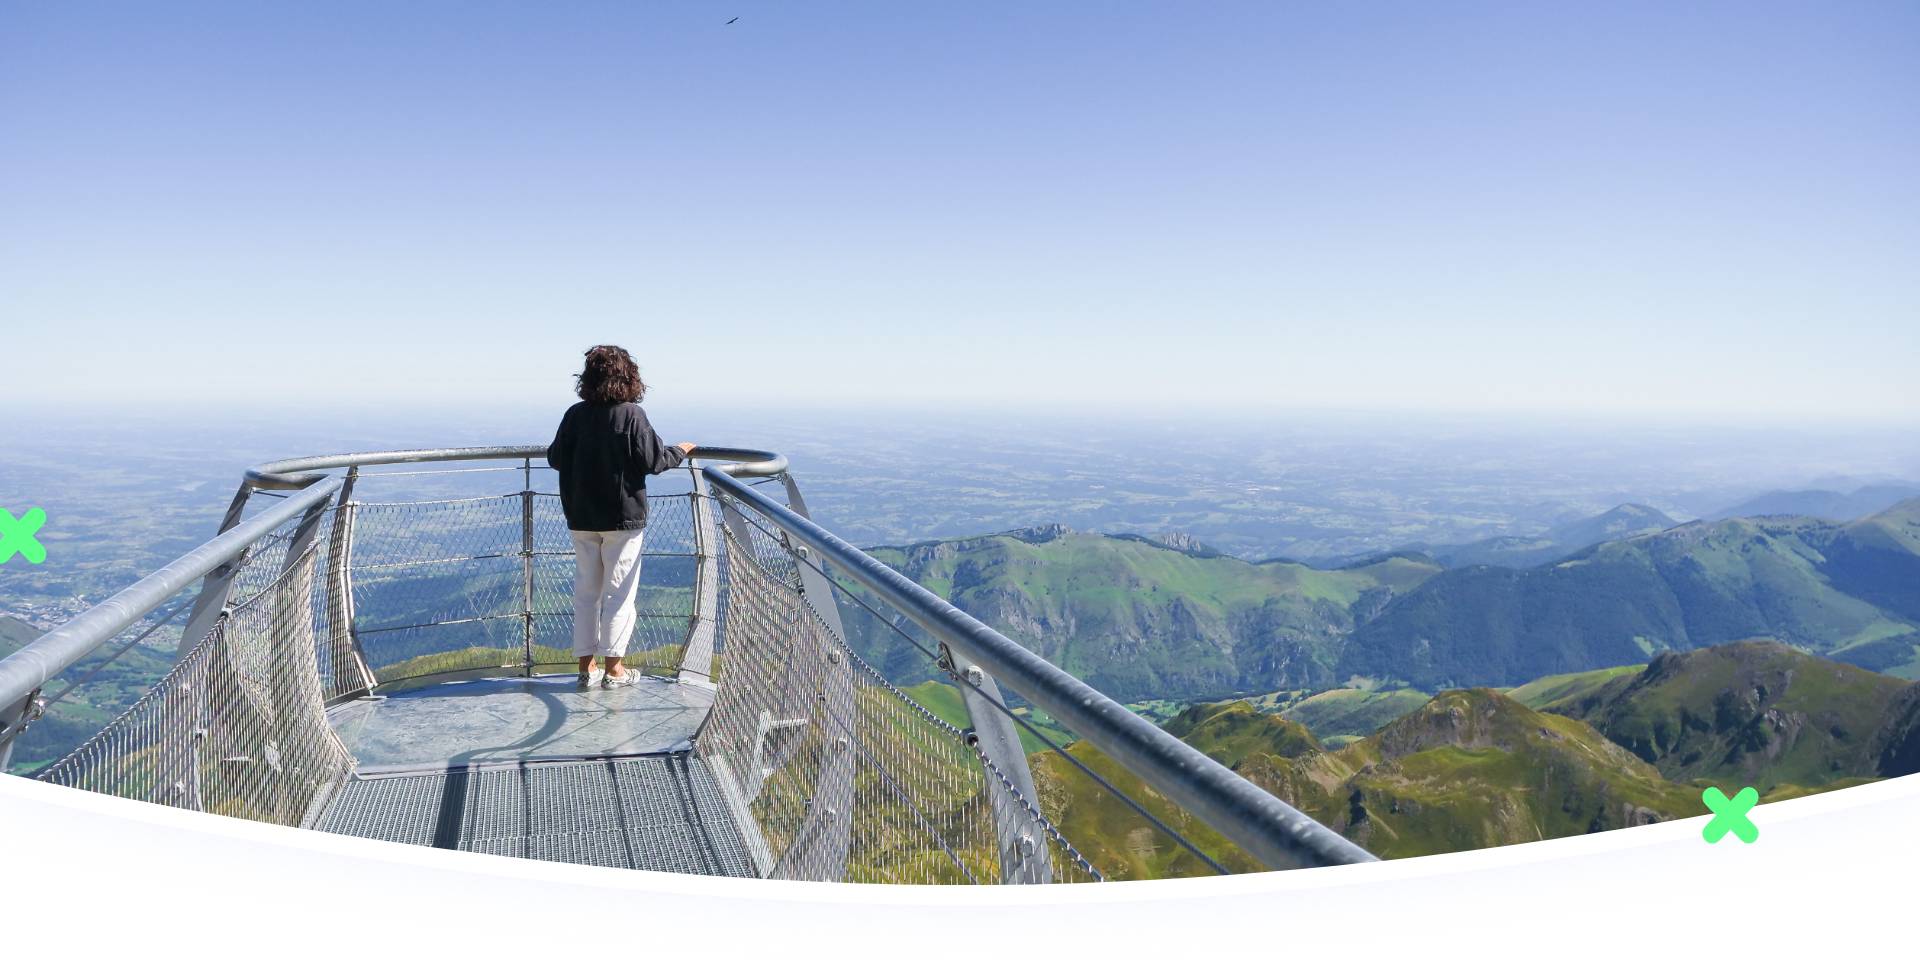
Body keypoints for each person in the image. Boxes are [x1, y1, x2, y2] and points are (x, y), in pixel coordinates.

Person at [545, 345, 696, 689]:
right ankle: (615, 670)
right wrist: (681, 451)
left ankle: (587, 667)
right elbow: (655, 461)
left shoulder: (574, 415)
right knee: (619, 594)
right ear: (628, 377)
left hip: (581, 516)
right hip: (622, 519)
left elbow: (555, 457)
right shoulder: (631, 416)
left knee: (587, 591)